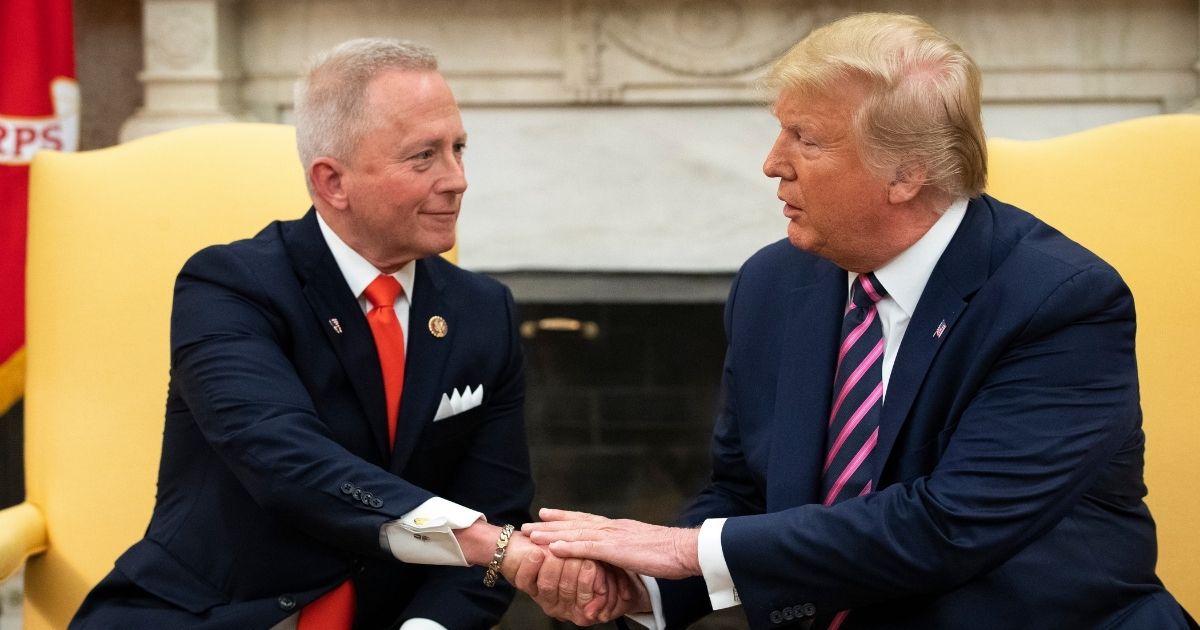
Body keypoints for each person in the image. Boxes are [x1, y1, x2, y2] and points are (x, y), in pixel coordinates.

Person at [525, 12, 1195, 630]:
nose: (771, 163)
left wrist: (684, 549)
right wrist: (645, 584)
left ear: (906, 173)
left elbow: (947, 527)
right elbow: (746, 491)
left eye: (805, 139)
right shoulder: (772, 283)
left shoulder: (1059, 302)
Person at [71, 38, 625, 629]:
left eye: (458, 148)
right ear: (333, 182)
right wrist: (493, 545)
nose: (457, 179)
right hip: (211, 614)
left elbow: (496, 508)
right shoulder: (230, 285)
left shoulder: (482, 310)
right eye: (423, 157)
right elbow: (284, 458)